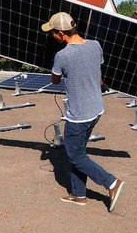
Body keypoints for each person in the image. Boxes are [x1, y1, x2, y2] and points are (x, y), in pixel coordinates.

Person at [43, 12, 125, 212]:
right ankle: (79, 195)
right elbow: (98, 74)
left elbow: (55, 80)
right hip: (96, 108)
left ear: (61, 33)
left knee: (75, 156)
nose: (51, 36)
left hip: (79, 114)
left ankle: (112, 183)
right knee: (78, 152)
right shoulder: (95, 45)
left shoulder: (62, 55)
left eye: (53, 32)